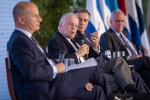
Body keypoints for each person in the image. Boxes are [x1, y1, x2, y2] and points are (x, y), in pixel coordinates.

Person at [7, 2, 133, 100]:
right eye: (35, 16)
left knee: (97, 91)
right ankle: (113, 97)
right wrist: (58, 68)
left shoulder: (26, 38)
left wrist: (72, 74)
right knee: (92, 68)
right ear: (21, 19)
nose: (40, 19)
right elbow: (31, 72)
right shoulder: (19, 41)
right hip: (45, 89)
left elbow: (45, 62)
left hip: (53, 82)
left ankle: (119, 96)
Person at [47, 8, 150, 100]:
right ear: (60, 25)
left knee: (119, 61)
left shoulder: (75, 39)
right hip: (84, 74)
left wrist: (96, 47)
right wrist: (77, 55)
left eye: (75, 25)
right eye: (70, 24)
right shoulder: (56, 41)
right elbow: (59, 66)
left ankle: (136, 93)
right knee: (130, 76)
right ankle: (136, 94)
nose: (74, 28)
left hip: (94, 69)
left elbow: (94, 57)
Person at [100, 10, 150, 89]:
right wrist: (129, 57)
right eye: (117, 21)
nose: (120, 23)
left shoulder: (125, 34)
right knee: (146, 59)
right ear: (110, 22)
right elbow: (109, 56)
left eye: (122, 21)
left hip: (134, 62)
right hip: (122, 65)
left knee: (146, 72)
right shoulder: (106, 36)